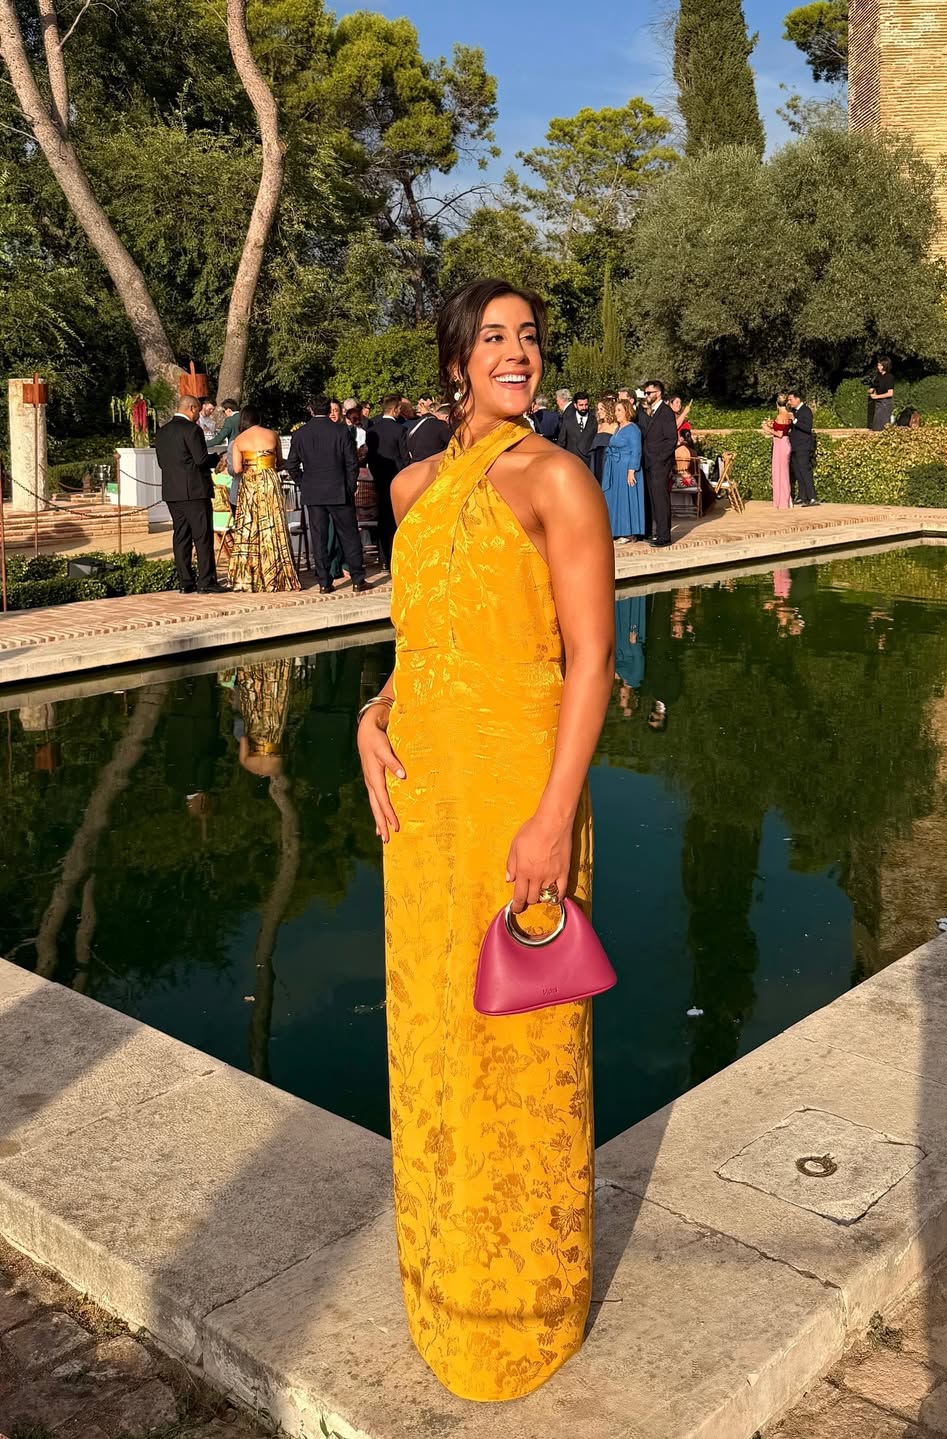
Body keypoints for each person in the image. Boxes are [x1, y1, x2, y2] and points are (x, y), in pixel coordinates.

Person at [356, 277, 614, 1402]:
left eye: (531, 337)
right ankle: (444, 1289)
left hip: (520, 797)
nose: (518, 352)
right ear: (457, 357)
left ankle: (526, 1308)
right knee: (433, 1038)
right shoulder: (413, 485)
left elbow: (593, 660)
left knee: (520, 1041)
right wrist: (371, 714)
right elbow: (419, 643)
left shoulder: (557, 478)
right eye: (495, 336)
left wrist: (552, 817)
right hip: (424, 809)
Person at [285, 395, 369, 593]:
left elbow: (292, 465)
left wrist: (304, 482)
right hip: (339, 489)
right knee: (349, 535)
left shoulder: (301, 434)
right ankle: (357, 579)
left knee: (319, 536)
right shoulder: (341, 431)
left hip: (314, 492)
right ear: (329, 410)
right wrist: (350, 486)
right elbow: (351, 462)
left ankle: (324, 582)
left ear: (310, 410)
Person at [227, 404, 300, 593]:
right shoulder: (272, 434)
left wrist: (251, 464)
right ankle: (277, 574)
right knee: (273, 525)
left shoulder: (238, 440)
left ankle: (250, 576)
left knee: (249, 527)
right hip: (269, 482)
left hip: (250, 484)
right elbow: (279, 462)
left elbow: (236, 469)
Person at [155, 394, 223, 593]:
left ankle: (185, 582)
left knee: (181, 536)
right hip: (194, 491)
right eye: (198, 411)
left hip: (172, 491)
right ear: (192, 408)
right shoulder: (192, 429)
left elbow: (162, 463)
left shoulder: (162, 432)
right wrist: (216, 458)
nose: (198, 415)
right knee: (202, 536)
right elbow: (201, 460)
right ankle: (206, 581)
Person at [365, 394, 410, 569]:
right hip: (397, 478)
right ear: (395, 410)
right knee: (398, 519)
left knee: (383, 518)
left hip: (379, 478)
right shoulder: (399, 430)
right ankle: (398, 556)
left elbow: (370, 457)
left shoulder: (372, 431)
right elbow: (404, 458)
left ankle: (384, 558)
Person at [639, 379, 677, 547]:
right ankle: (658, 532)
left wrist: (660, 459)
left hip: (660, 463)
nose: (646, 395)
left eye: (649, 393)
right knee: (654, 499)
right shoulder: (652, 412)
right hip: (649, 461)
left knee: (661, 499)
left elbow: (671, 439)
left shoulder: (666, 412)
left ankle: (664, 536)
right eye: (645, 393)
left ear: (659, 393)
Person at [604, 397, 644, 543]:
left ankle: (628, 533)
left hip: (627, 468)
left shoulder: (633, 429)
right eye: (615, 410)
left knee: (626, 499)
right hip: (615, 468)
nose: (616, 413)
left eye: (619, 410)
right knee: (616, 499)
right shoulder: (617, 429)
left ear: (627, 411)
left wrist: (632, 470)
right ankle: (617, 530)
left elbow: (636, 450)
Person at [787, 390, 819, 507]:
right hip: (795, 446)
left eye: (791, 399)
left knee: (805, 471)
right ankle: (802, 496)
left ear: (798, 399)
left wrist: (795, 420)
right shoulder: (794, 411)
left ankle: (812, 497)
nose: (789, 402)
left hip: (803, 446)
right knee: (798, 472)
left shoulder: (806, 411)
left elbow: (807, 428)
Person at [761, 395, 793, 509]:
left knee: (779, 473)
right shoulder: (789, 415)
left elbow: (779, 434)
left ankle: (782, 501)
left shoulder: (780, 416)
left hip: (780, 445)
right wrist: (772, 424)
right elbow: (784, 428)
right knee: (784, 473)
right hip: (786, 443)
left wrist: (767, 429)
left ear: (777, 404)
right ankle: (786, 500)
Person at [557, 391, 597, 462]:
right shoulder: (568, 420)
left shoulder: (594, 420)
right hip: (572, 461)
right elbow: (561, 442)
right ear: (575, 405)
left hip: (589, 462)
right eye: (581, 405)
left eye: (586, 405)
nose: (584, 408)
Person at [589, 395, 616, 483]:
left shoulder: (615, 425)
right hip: (596, 458)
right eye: (598, 409)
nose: (599, 411)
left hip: (607, 459)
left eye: (601, 409)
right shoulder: (599, 425)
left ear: (608, 409)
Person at [869, 358, 894, 430]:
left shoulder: (889, 377)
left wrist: (876, 396)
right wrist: (871, 391)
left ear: (886, 366)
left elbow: (890, 393)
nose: (879, 367)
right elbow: (874, 388)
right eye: (878, 365)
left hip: (885, 404)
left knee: (882, 428)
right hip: (878, 403)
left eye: (881, 365)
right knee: (876, 427)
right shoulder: (878, 377)